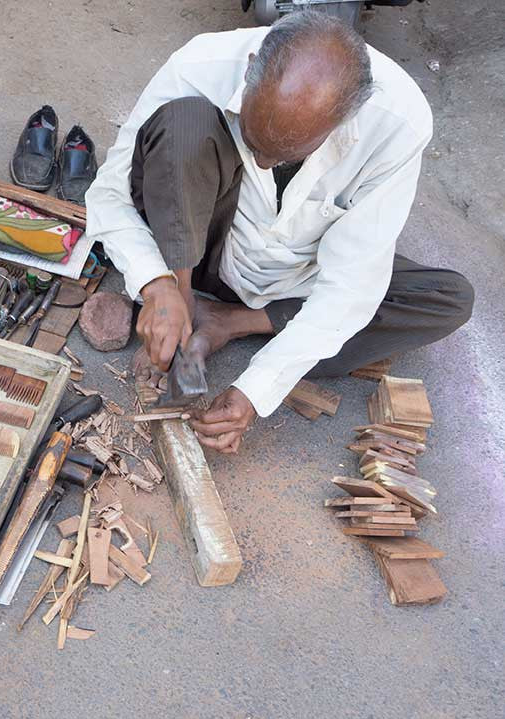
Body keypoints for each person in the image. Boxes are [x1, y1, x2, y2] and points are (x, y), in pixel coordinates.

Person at [85, 12, 473, 454]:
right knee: (184, 125)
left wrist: (257, 389)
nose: (266, 164)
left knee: (446, 298)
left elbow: (352, 286)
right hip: (204, 242)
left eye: (286, 154)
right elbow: (109, 197)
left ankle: (230, 323)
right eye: (254, 144)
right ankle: (186, 304)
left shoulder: (396, 124)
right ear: (251, 68)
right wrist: (159, 287)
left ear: (345, 119)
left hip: (295, 276)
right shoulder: (200, 65)